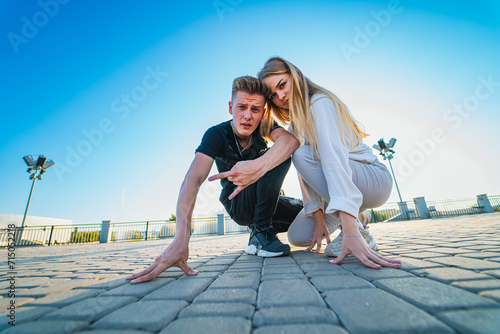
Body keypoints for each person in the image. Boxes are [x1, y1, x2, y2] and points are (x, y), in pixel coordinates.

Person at [127, 76, 302, 283]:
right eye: (242, 107)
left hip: (267, 200)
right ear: (230, 107)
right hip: (239, 202)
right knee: (278, 156)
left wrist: (256, 165)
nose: (248, 116)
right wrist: (181, 237)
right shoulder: (216, 135)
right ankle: (261, 232)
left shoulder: (266, 125)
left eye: (255, 110)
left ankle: (260, 231)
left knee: (304, 215)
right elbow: (192, 180)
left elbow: (290, 141)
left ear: (263, 113)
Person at [257, 57, 401, 269]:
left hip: (373, 179)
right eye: (273, 95)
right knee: (297, 236)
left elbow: (334, 161)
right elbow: (306, 177)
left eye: (282, 85)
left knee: (301, 155)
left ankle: (356, 226)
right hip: (341, 183)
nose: (280, 96)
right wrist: (318, 218)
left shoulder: (320, 102)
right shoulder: (296, 125)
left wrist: (350, 231)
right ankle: (358, 213)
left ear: (295, 74)